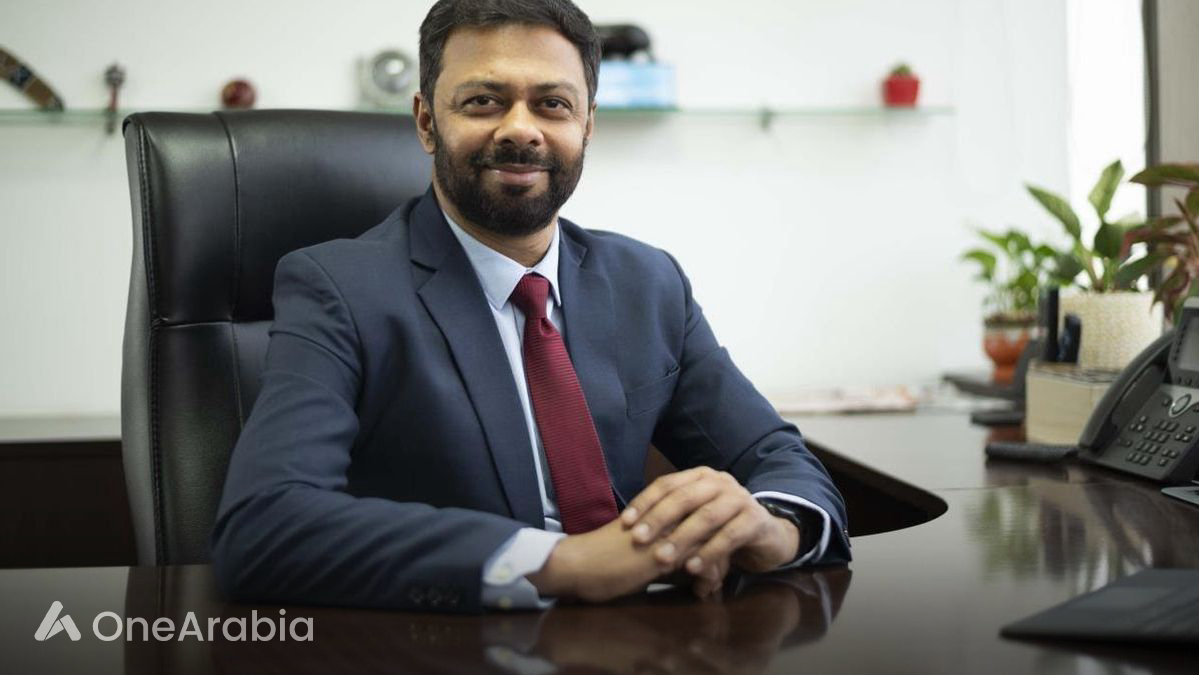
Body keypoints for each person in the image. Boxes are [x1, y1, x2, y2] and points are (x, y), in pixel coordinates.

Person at [211, 0, 850, 613]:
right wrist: (564, 563)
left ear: (587, 125)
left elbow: (777, 458)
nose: (521, 129)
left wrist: (774, 530)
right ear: (427, 122)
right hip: (454, 641)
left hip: (650, 636)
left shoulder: (649, 282)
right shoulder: (339, 287)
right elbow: (264, 526)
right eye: (483, 101)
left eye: (553, 104)